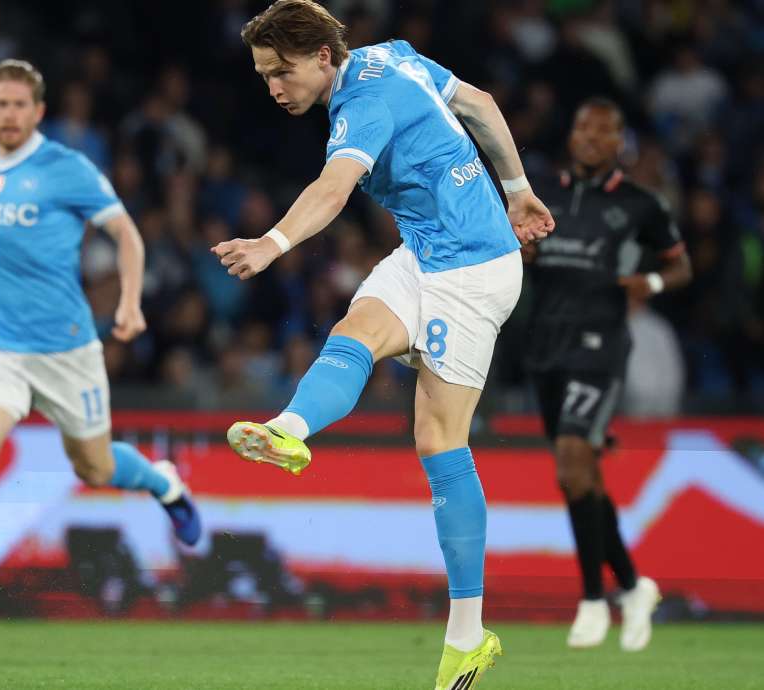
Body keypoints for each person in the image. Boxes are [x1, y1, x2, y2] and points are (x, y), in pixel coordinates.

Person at [212, 2, 554, 688]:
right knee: (353, 332)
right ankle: (288, 429)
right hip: (426, 252)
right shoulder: (393, 53)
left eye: (281, 71)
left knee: (439, 440)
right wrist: (517, 189)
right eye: (262, 75)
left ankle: (467, 635)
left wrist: (271, 244)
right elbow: (481, 104)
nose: (274, 86)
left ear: (321, 59)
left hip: (474, 271)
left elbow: (334, 187)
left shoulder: (359, 106)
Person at [0, 59, 201, 636]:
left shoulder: (67, 168)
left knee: (96, 463)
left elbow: (127, 234)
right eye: (0, 104)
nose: (9, 114)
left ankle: (164, 483)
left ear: (37, 112)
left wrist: (131, 301)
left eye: (19, 105)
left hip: (65, 350)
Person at [526, 98, 691, 652]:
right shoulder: (540, 194)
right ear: (571, 136)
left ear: (620, 142)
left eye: (604, 132)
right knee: (581, 476)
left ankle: (594, 599)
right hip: (545, 347)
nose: (591, 138)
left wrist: (655, 284)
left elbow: (680, 263)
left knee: (573, 462)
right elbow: (518, 252)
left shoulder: (641, 205)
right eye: (582, 128)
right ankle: (635, 585)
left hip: (600, 347)